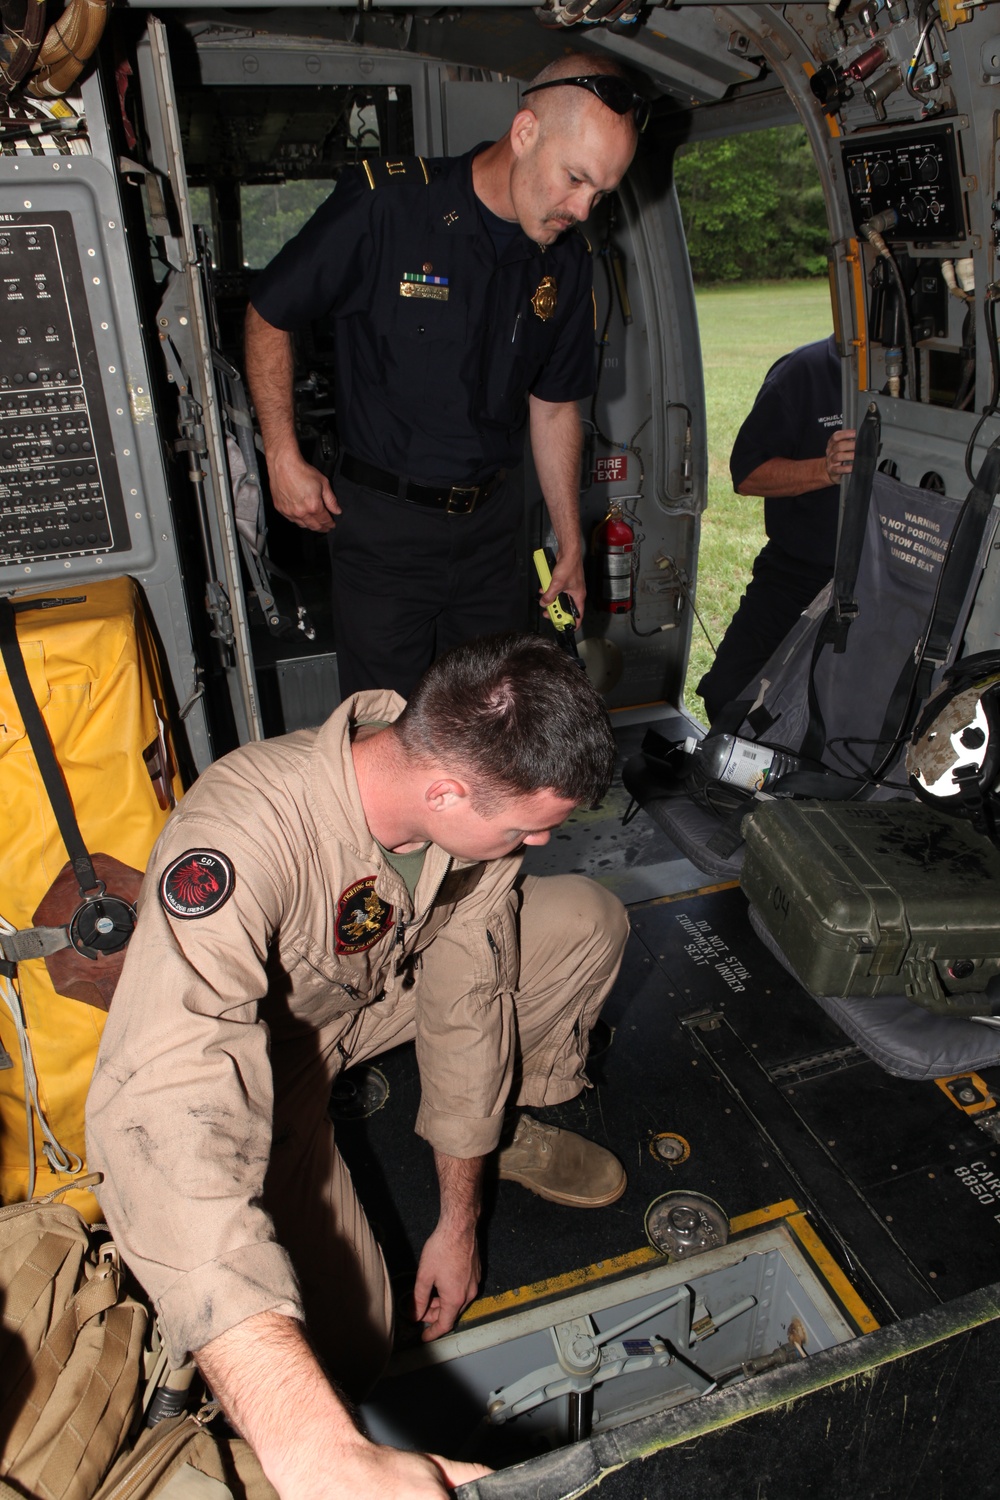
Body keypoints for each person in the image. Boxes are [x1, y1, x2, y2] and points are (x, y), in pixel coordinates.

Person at [86, 632, 630, 1500]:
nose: (530, 846)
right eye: (525, 827)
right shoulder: (242, 830)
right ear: (446, 790)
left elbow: (467, 1001)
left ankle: (500, 1128)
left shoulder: (459, 812)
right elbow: (162, 1103)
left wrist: (460, 1219)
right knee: (354, 1341)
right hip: (267, 1056)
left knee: (585, 921)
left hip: (375, 996)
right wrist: (313, 1443)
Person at [244, 56, 644, 700]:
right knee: (388, 732)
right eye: (575, 180)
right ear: (524, 133)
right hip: (383, 531)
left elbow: (554, 408)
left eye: (600, 193)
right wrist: (281, 454)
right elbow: (269, 311)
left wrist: (569, 541)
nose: (582, 208)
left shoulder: (568, 261)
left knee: (490, 723)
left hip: (489, 532)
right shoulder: (389, 205)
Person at [697, 333, 856, 724]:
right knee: (727, 694)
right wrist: (824, 469)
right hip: (797, 572)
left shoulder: (928, 383)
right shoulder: (805, 372)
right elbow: (747, 473)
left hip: (882, 579)